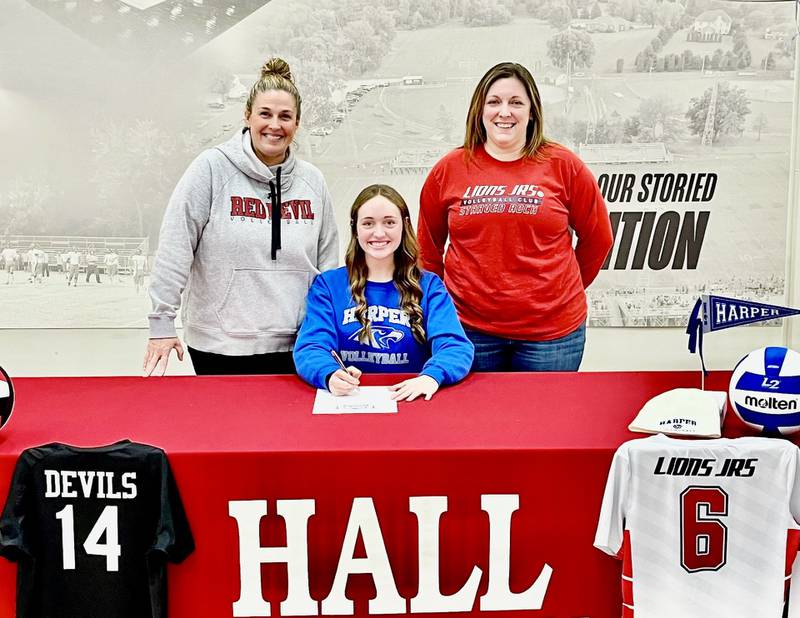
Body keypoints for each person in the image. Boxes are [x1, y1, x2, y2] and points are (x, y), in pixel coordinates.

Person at [144, 57, 338, 377]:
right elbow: (175, 247)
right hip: (220, 345)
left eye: (285, 116)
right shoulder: (210, 168)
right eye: (265, 114)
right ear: (247, 116)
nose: (274, 125)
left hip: (298, 346)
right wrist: (162, 322)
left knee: (288, 429)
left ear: (297, 124)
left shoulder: (313, 182)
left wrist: (327, 332)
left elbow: (328, 266)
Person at [418, 62, 613, 372]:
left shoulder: (564, 165)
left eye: (516, 102)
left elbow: (599, 238)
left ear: (532, 111)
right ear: (479, 111)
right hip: (468, 331)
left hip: (552, 337)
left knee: (542, 421)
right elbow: (428, 250)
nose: (504, 112)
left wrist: (558, 292)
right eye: (494, 102)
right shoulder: (449, 169)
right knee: (474, 421)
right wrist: (442, 310)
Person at [294, 184, 473, 401]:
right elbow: (311, 346)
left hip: (410, 400)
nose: (379, 233)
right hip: (349, 401)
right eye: (368, 223)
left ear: (404, 225)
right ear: (355, 228)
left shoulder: (429, 286)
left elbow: (455, 346)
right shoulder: (328, 286)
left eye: (389, 222)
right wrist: (330, 373)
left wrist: (431, 377)